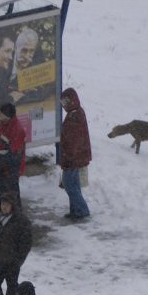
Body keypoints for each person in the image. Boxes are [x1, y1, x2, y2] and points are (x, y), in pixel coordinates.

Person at [59, 88, 92, 219]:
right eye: (63, 102)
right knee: (74, 184)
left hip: (73, 157)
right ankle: (75, 211)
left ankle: (82, 210)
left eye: (66, 101)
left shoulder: (75, 116)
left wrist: (69, 157)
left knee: (69, 184)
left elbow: (74, 140)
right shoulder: (76, 113)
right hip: (75, 156)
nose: (64, 104)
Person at [0, 103, 26, 207]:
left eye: (1, 114)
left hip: (12, 167)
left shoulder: (17, 130)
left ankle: (14, 215)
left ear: (7, 115)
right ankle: (2, 212)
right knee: (3, 191)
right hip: (4, 165)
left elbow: (14, 153)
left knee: (11, 192)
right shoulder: (3, 124)